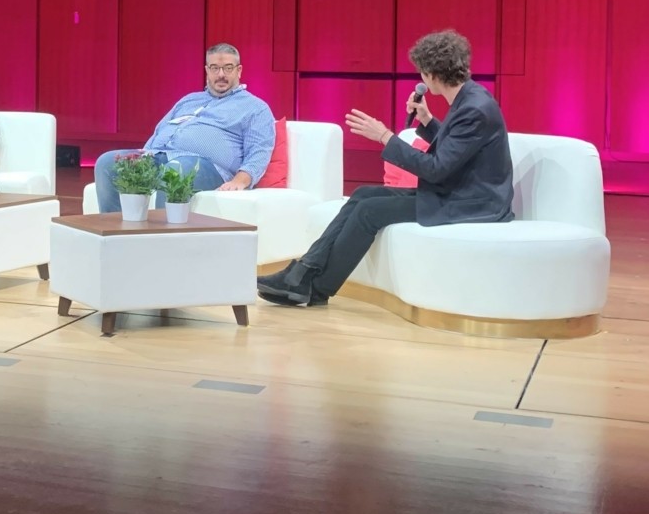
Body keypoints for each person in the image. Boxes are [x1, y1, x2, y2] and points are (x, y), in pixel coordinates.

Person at [258, 29, 514, 307]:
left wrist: (384, 136)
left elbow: (437, 168)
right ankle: (304, 271)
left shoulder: (474, 108)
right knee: (363, 194)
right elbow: (456, 150)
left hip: (472, 203)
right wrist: (427, 121)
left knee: (369, 211)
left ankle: (318, 288)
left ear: (431, 75)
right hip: (456, 192)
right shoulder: (469, 98)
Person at [94, 43, 276, 212]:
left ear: (239, 71)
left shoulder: (255, 108)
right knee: (108, 162)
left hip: (208, 168)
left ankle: (162, 235)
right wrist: (144, 156)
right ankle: (118, 232)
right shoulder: (189, 100)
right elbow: (160, 130)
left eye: (228, 68)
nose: (221, 74)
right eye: (214, 68)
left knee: (175, 170)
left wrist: (241, 181)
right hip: (161, 157)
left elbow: (260, 150)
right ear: (207, 71)